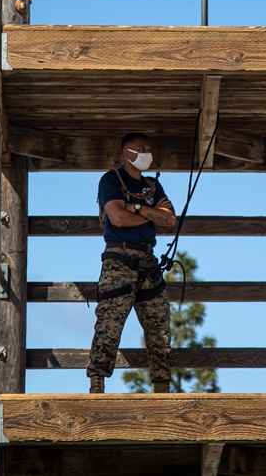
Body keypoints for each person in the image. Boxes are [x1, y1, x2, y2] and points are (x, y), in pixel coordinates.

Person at [88, 132, 177, 394]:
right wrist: (152, 215)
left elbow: (170, 220)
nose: (147, 153)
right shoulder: (111, 180)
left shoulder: (152, 185)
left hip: (148, 262)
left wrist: (136, 209)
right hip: (119, 260)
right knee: (109, 323)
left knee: (160, 324)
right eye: (141, 148)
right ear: (126, 153)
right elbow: (117, 218)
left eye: (148, 148)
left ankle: (162, 387)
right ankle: (97, 384)